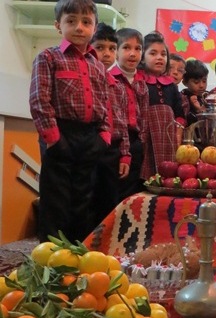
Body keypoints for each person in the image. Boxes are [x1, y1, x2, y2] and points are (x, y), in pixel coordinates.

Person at [29, 0, 110, 243]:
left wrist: (103, 137)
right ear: (58, 25)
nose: (79, 27)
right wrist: (53, 139)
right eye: (71, 21)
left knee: (83, 199)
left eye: (86, 22)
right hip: (59, 134)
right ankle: (51, 258)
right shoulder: (48, 58)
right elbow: (39, 100)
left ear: (94, 28)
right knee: (56, 199)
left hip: (90, 136)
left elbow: (105, 103)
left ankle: (77, 252)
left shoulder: (98, 66)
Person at [90, 23, 130, 228]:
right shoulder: (86, 79)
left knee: (109, 198)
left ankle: (104, 241)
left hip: (112, 150)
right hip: (90, 145)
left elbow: (122, 124)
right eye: (100, 47)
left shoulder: (118, 85)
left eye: (112, 48)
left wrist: (125, 154)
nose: (106, 53)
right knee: (88, 198)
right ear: (89, 48)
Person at [139, 31, 185, 180]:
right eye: (153, 53)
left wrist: (178, 133)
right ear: (142, 56)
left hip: (168, 136)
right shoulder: (139, 81)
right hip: (146, 135)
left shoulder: (171, 85)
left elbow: (179, 112)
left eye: (163, 54)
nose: (159, 57)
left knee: (168, 173)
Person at [110, 27, 149, 199]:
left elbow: (145, 115)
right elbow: (117, 119)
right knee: (116, 189)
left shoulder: (142, 82)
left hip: (136, 142)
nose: (132, 53)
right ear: (116, 52)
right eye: (126, 48)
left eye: (138, 48)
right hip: (116, 142)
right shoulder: (110, 78)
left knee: (134, 191)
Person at [181, 59, 209, 127]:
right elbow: (185, 120)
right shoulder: (183, 97)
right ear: (185, 82)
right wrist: (198, 111)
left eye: (204, 81)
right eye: (196, 82)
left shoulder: (208, 96)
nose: (201, 86)